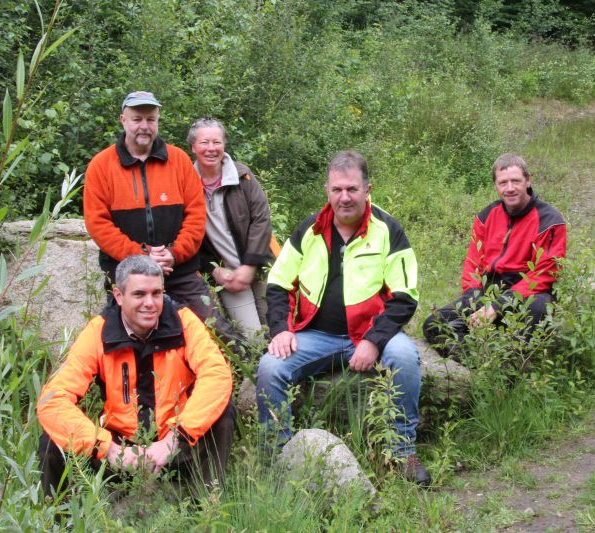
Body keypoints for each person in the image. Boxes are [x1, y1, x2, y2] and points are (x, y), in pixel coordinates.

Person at [255, 150, 431, 486]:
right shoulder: (309, 229)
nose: (344, 197)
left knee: (406, 357)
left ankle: (401, 453)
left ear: (368, 189)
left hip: (370, 331)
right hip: (315, 335)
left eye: (352, 189)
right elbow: (278, 284)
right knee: (270, 367)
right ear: (327, 190)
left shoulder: (388, 229)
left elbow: (405, 296)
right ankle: (277, 459)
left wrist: (373, 341)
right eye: (337, 189)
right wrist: (279, 330)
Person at [37, 255, 235, 497]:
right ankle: (61, 522)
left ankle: (205, 507)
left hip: (175, 443)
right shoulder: (99, 331)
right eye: (139, 294)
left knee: (222, 413)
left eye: (157, 293)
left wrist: (174, 439)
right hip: (119, 449)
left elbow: (217, 375)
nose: (150, 303)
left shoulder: (183, 322)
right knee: (52, 440)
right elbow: (53, 400)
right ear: (119, 296)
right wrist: (107, 448)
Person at [83, 91, 238, 341]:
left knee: (217, 333)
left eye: (151, 119)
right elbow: (98, 224)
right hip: (127, 275)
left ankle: (244, 377)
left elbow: (196, 216)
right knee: (123, 341)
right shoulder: (101, 166)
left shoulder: (178, 160)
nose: (144, 126)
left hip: (180, 271)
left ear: (157, 121)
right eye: (137, 119)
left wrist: (173, 253)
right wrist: (142, 256)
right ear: (123, 120)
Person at [423, 154, 566, 358]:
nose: (510, 188)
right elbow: (473, 264)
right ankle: (478, 366)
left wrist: (497, 307)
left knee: (536, 308)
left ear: (528, 180)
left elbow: (544, 275)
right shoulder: (486, 216)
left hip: (529, 294)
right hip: (488, 290)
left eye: (516, 181)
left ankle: (513, 370)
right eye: (503, 182)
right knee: (434, 324)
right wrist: (474, 298)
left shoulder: (549, 219)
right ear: (496, 185)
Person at [187, 117, 276, 337]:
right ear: (193, 147)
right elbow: (187, 236)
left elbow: (261, 219)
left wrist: (250, 265)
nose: (211, 149)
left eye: (216, 142)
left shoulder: (242, 176)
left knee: (275, 328)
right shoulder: (185, 183)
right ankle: (253, 372)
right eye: (204, 143)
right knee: (253, 337)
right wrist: (213, 270)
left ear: (224, 145)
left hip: (260, 266)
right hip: (226, 275)